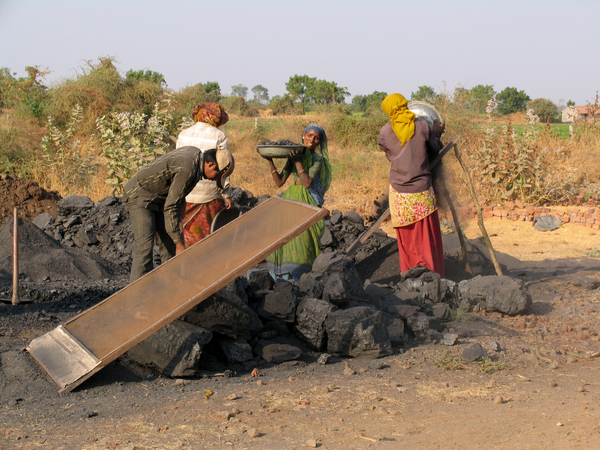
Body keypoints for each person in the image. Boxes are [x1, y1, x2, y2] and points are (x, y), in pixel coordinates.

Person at [123, 146, 234, 282]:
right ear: (211, 164)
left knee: (169, 244)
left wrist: (181, 204)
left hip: (158, 199)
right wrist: (180, 244)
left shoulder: (196, 159)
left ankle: (170, 288)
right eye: (217, 176)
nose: (214, 180)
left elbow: (176, 190)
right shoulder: (189, 168)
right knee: (145, 246)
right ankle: (135, 295)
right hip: (139, 196)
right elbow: (171, 207)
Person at [378, 93, 446, 277]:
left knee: (407, 238)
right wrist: (438, 132)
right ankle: (431, 275)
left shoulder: (385, 131)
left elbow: (387, 152)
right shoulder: (422, 126)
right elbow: (434, 148)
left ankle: (409, 274)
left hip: (399, 192)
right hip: (422, 189)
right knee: (426, 236)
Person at [260, 125, 332, 281]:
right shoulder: (292, 156)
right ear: (303, 135)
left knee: (303, 238)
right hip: (291, 198)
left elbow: (307, 183)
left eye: (316, 137)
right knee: (285, 236)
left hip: (307, 200)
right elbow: (279, 182)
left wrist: (298, 162)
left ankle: (301, 277)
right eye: (310, 135)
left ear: (319, 142)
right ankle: (282, 276)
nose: (312, 140)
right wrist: (270, 161)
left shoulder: (317, 159)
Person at [176, 103, 234, 246]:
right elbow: (223, 166)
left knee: (187, 235)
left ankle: (188, 262)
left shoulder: (183, 134)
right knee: (210, 236)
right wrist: (226, 194)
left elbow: (176, 164)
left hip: (186, 192)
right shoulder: (219, 135)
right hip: (209, 194)